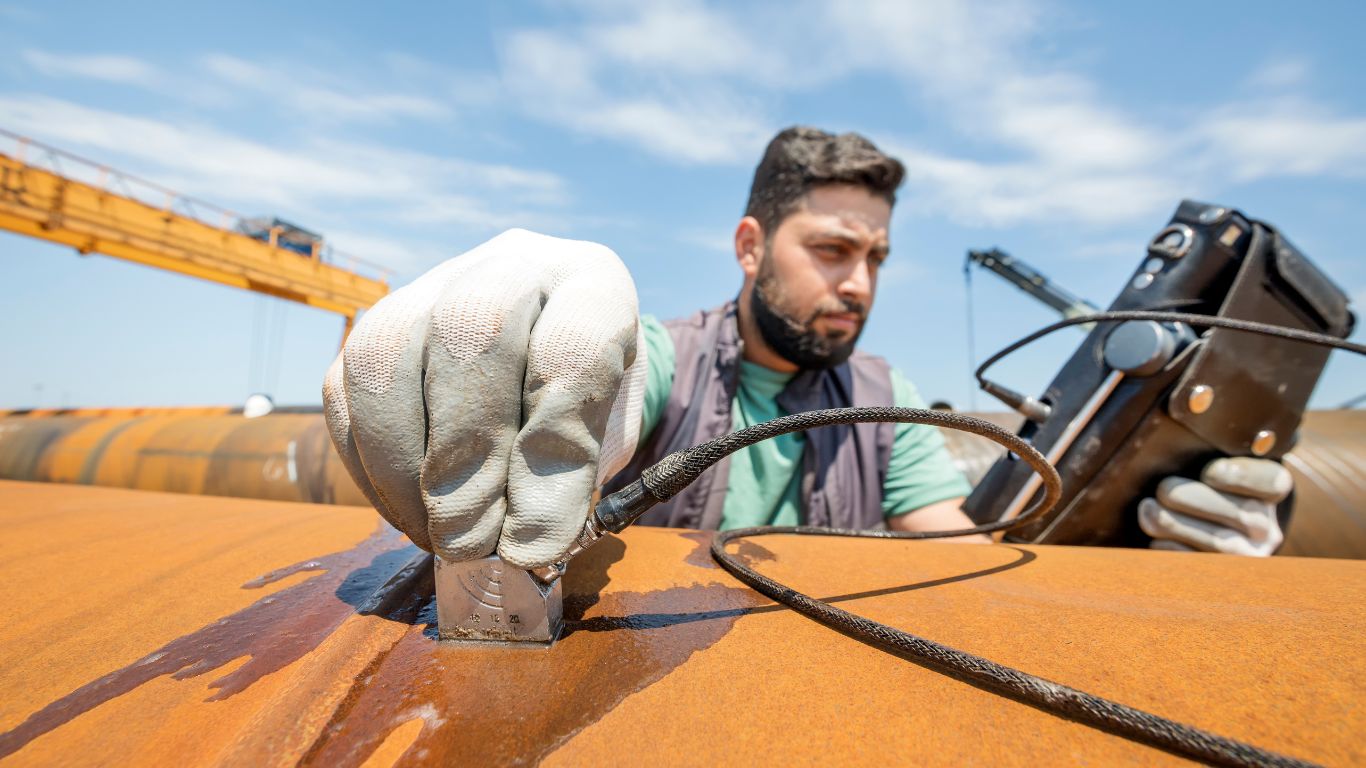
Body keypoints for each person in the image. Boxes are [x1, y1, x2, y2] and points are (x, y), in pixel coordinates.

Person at [322, 126, 1291, 569]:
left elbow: (963, 557)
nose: (859, 282)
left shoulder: (885, 397)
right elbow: (608, 404)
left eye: (874, 255)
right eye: (830, 250)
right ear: (750, 247)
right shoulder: (668, 356)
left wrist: (1144, 548)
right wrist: (536, 351)